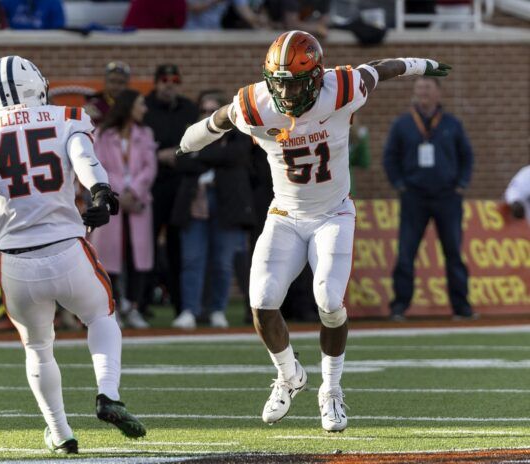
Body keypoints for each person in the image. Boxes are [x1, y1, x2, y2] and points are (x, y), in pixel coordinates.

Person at [177, 30, 451, 432]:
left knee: (328, 300)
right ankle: (289, 375)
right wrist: (187, 143)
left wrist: (422, 65)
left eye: (295, 83)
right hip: (284, 214)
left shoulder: (340, 88)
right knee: (262, 302)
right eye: (279, 83)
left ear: (317, 76)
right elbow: (217, 121)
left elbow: (380, 69)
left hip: (334, 214)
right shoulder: (256, 103)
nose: (286, 94)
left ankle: (331, 390)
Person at [0, 55, 146, 454]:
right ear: (36, 85)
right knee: (102, 315)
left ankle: (60, 432)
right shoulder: (65, 117)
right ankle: (107, 393)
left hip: (16, 261)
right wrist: (99, 191)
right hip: (67, 248)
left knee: (38, 347)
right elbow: (84, 159)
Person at [383, 77, 474, 321]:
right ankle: (399, 307)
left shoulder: (452, 124)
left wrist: (461, 185)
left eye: (427, 88)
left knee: (453, 251)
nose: (422, 92)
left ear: (438, 94)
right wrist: (400, 185)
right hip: (414, 197)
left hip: (447, 197)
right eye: (419, 88)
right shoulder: (403, 124)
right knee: (406, 252)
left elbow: (467, 156)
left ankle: (461, 307)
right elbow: (390, 157)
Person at [171, 90, 254, 329]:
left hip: (227, 204)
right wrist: (212, 157)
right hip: (195, 203)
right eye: (204, 111)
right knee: (192, 259)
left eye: (212, 111)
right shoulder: (192, 134)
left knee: (222, 262)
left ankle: (218, 309)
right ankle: (190, 310)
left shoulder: (238, 136)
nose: (208, 115)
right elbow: (182, 159)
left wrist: (202, 155)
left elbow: (237, 156)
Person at [90, 89, 157, 329]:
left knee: (138, 258)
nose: (145, 109)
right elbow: (97, 166)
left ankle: (135, 307)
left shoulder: (145, 133)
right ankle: (115, 307)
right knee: (109, 257)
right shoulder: (103, 135)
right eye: (141, 104)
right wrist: (119, 192)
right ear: (128, 106)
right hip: (113, 203)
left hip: (138, 204)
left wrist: (134, 191)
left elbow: (150, 168)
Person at [143, 63, 198, 316]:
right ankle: (141, 306)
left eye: (174, 80)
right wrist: (157, 156)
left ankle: (181, 308)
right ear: (156, 82)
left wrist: (174, 154)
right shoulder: (144, 108)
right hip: (150, 186)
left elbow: (199, 147)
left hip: (180, 186)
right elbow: (134, 148)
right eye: (164, 79)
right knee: (146, 247)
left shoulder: (188, 108)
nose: (169, 84)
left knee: (179, 250)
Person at [84, 61, 131, 127]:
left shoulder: (133, 105)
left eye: (121, 82)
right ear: (105, 82)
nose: (116, 86)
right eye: (112, 81)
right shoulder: (94, 105)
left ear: (127, 84)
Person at [185, 0, 266, 29]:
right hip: (191, 31)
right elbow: (192, 8)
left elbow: (247, 14)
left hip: (214, 31)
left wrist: (259, 20)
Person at [0, 0, 65, 30]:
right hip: (14, 45)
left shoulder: (54, 3)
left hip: (42, 47)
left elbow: (58, 29)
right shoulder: (7, 2)